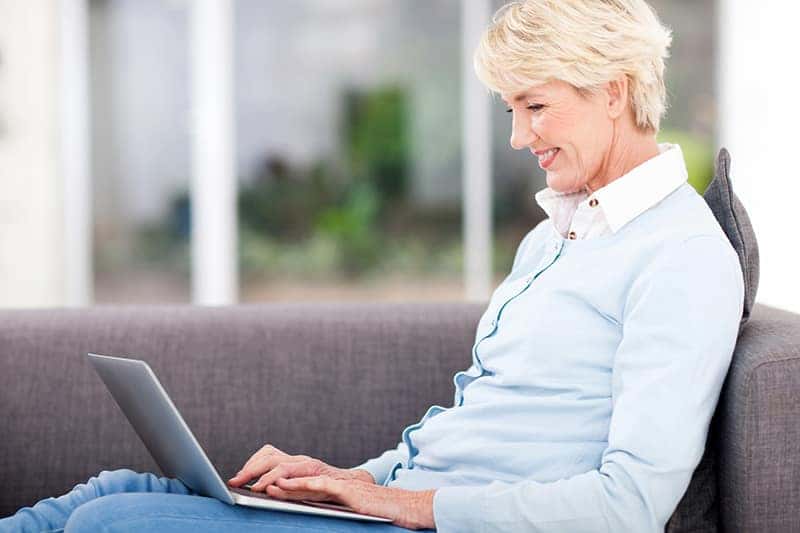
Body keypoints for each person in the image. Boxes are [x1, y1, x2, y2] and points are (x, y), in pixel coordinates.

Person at [0, 0, 743, 531]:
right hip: (402, 504)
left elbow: (629, 506)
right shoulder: (553, 236)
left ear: (612, 92)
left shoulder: (682, 258)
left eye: (535, 107)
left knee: (113, 520)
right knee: (110, 487)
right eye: (510, 110)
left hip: (431, 524)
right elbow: (482, 421)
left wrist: (402, 505)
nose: (518, 138)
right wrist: (352, 480)